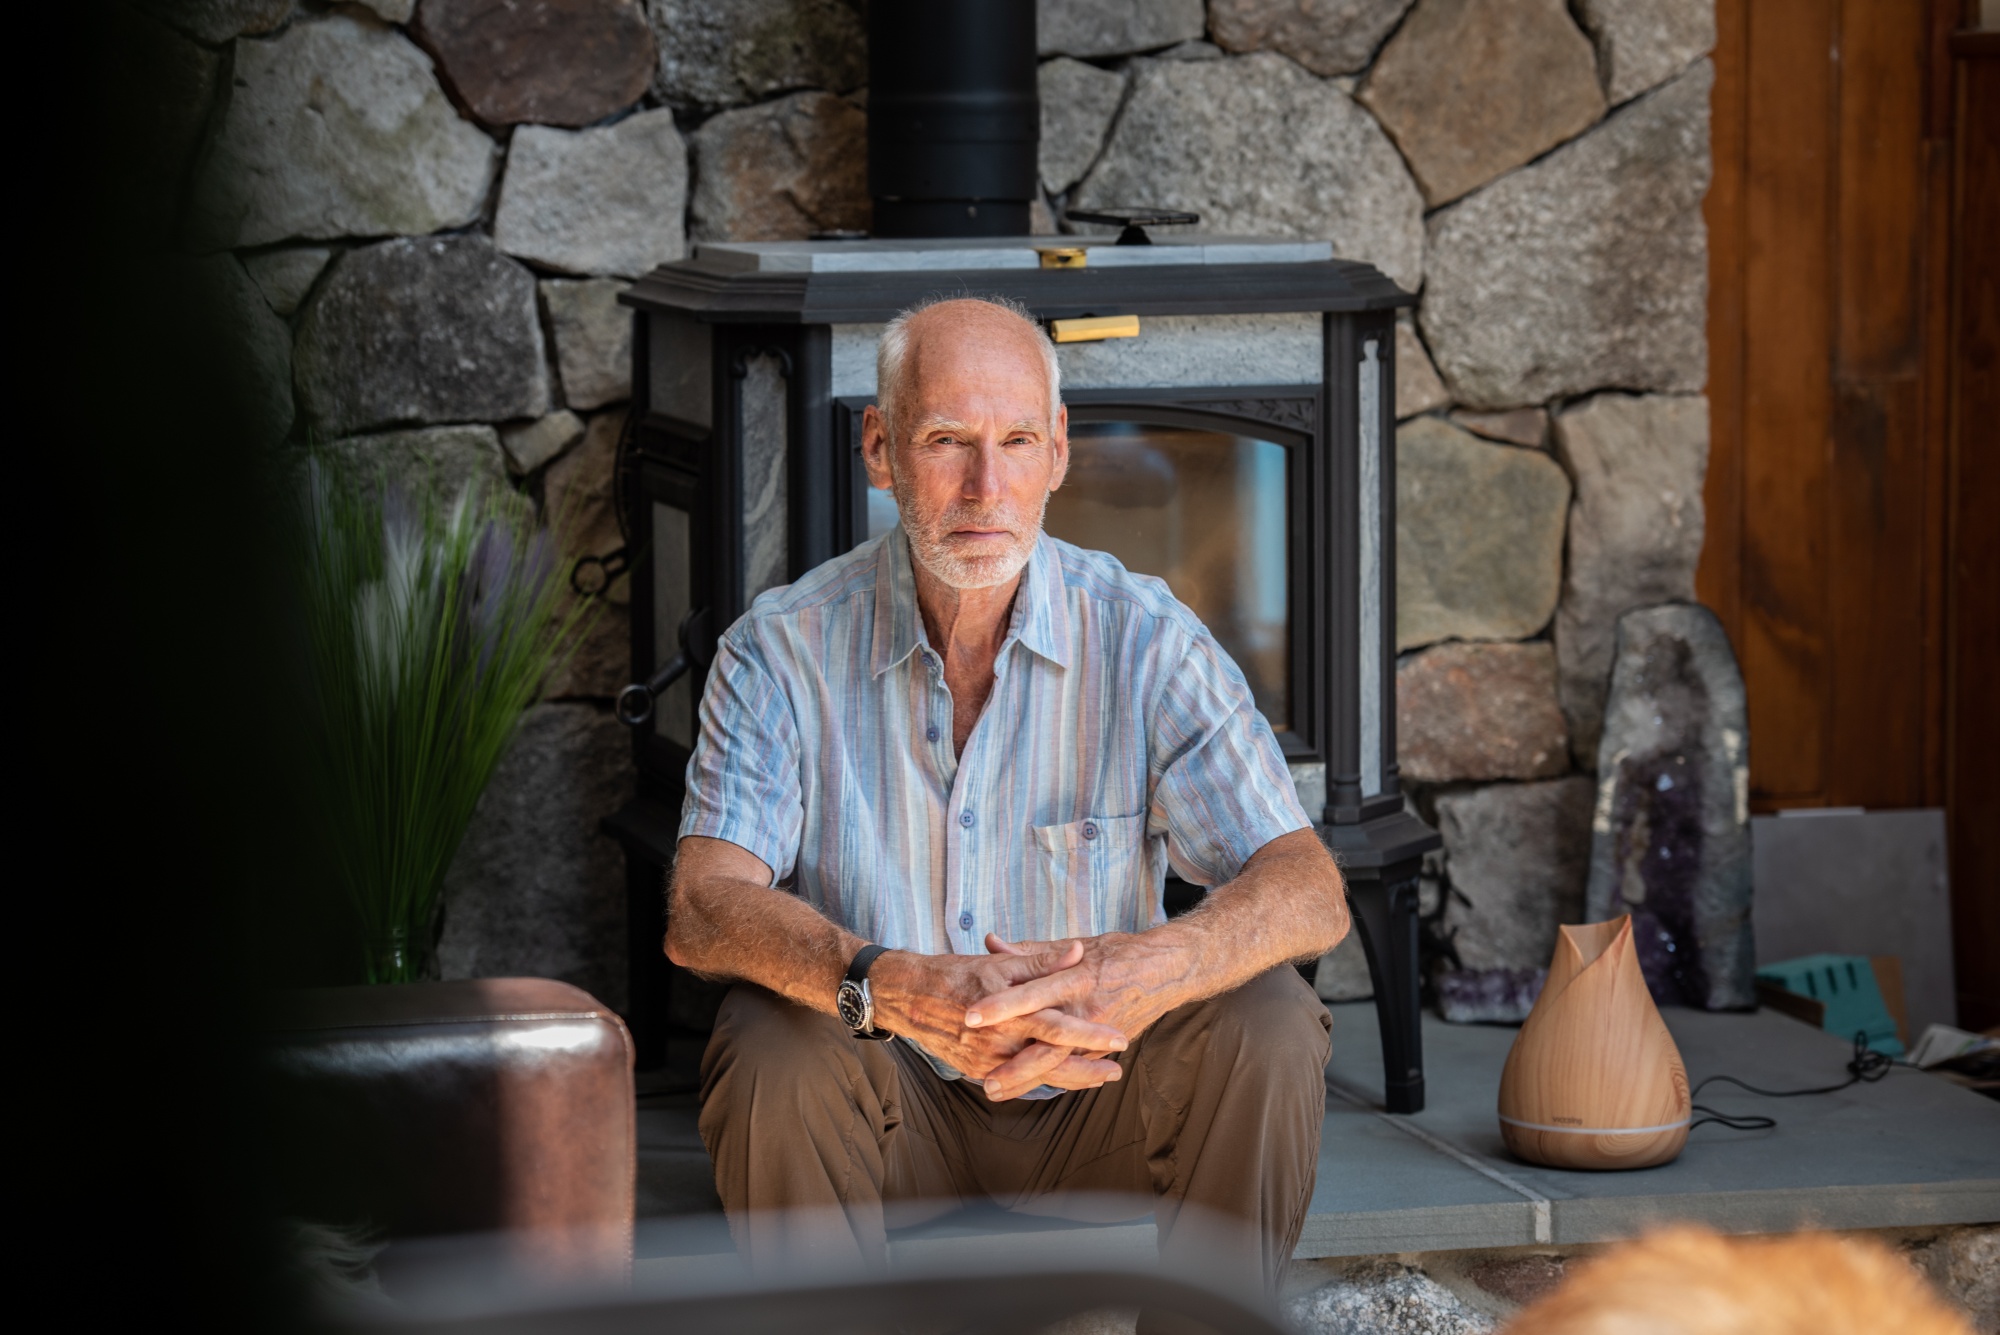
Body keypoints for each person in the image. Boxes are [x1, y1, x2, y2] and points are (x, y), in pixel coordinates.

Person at [667, 295, 1348, 1293]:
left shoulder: (1145, 637)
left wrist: (1158, 964)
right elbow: (699, 906)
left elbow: (1307, 887)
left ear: (1058, 453)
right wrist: (886, 983)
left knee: (1271, 1020)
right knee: (773, 1038)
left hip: (1101, 1097)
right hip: (885, 1109)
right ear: (880, 448)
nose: (986, 487)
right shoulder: (779, 651)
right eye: (946, 440)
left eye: (1016, 440)